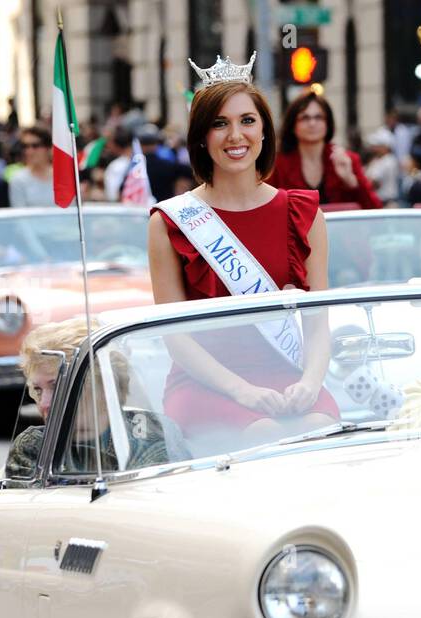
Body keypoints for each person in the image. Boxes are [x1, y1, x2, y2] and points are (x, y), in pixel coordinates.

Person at [146, 58, 337, 450]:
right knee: (262, 436)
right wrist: (242, 391)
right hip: (205, 382)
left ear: (265, 130)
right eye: (220, 123)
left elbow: (318, 322)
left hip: (288, 375)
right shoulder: (171, 222)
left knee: (320, 431)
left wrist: (311, 381)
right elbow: (175, 337)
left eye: (247, 120)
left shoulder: (304, 213)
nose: (236, 135)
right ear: (201, 136)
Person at [3, 318, 187, 479]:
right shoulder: (35, 445)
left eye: (58, 386)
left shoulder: (149, 431)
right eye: (37, 390)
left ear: (103, 387)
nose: (44, 403)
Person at [269, 92, 381, 208]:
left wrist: (351, 181)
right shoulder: (277, 164)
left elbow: (375, 210)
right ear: (292, 125)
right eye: (304, 118)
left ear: (328, 124)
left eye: (318, 117)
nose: (312, 123)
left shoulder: (347, 160)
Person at [8, 125, 56, 207]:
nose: (29, 151)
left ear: (48, 148)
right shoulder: (18, 179)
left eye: (35, 146)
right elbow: (20, 215)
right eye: (25, 146)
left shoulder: (65, 177)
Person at [363, 127, 401, 205]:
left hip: (385, 204)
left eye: (377, 145)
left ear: (385, 147)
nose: (374, 148)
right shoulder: (382, 159)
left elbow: (373, 183)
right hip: (383, 203)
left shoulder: (387, 161)